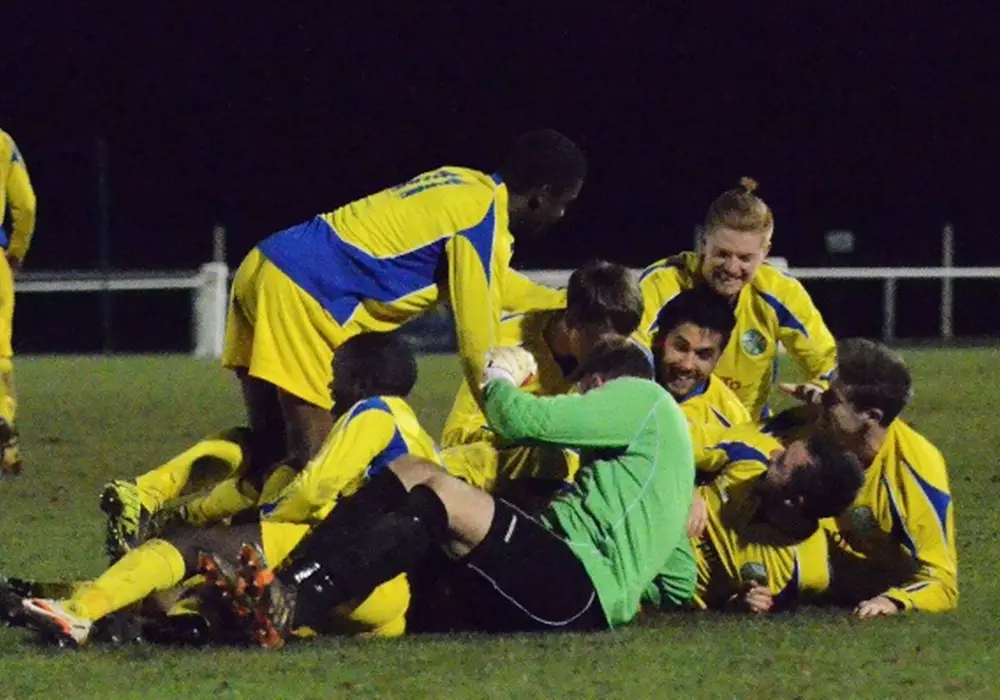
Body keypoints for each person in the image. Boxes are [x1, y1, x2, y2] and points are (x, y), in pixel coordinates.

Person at [100, 129, 586, 559]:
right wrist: (505, 417)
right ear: (543, 196)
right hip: (308, 291)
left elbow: (492, 286)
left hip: (267, 265)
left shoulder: (463, 184)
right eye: (566, 202)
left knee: (269, 445)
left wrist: (566, 302)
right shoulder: (483, 219)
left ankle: (154, 506)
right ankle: (253, 567)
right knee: (321, 467)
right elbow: (477, 339)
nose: (563, 215)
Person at [209, 339, 696, 647]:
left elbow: (523, 420)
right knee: (415, 474)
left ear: (601, 382)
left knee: (438, 494)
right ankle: (288, 586)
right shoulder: (661, 467)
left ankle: (297, 597)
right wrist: (631, 584)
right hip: (573, 595)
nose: (581, 403)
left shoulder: (643, 397)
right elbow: (678, 581)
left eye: (586, 393)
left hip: (576, 587)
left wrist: (501, 376)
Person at [20, 334, 438, 646]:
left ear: (362, 383)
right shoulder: (419, 437)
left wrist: (263, 519)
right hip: (387, 603)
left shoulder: (373, 413)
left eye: (336, 376)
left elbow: (315, 490)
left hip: (342, 563)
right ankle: (159, 628)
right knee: (220, 591)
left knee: (194, 546)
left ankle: (78, 612)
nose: (328, 388)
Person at [635, 177, 836, 421]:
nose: (732, 268)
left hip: (744, 433)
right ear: (704, 243)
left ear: (765, 253)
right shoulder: (665, 282)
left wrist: (822, 391)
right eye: (722, 254)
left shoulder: (780, 293)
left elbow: (828, 363)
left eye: (745, 258)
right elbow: (632, 349)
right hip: (668, 425)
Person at [439, 259, 645, 493]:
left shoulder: (615, 333)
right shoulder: (506, 343)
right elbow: (457, 440)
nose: (613, 354)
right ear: (573, 322)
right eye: (604, 343)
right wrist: (532, 432)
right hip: (505, 476)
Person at [645, 424, 862, 614]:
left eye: (781, 463)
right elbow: (663, 438)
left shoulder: (805, 571)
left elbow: (731, 605)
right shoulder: (750, 452)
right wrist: (686, 487)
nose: (773, 455)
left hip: (651, 585)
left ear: (795, 501)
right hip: (641, 520)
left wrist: (739, 603)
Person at [812, 339, 957, 617]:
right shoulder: (818, 427)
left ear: (871, 416)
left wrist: (894, 601)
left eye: (831, 399)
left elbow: (942, 580)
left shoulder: (915, 469)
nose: (821, 403)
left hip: (853, 583)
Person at [0, 128, 37, 475]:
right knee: (0, 355)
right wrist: (16, 252)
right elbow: (25, 205)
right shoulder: (3, 142)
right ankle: (3, 419)